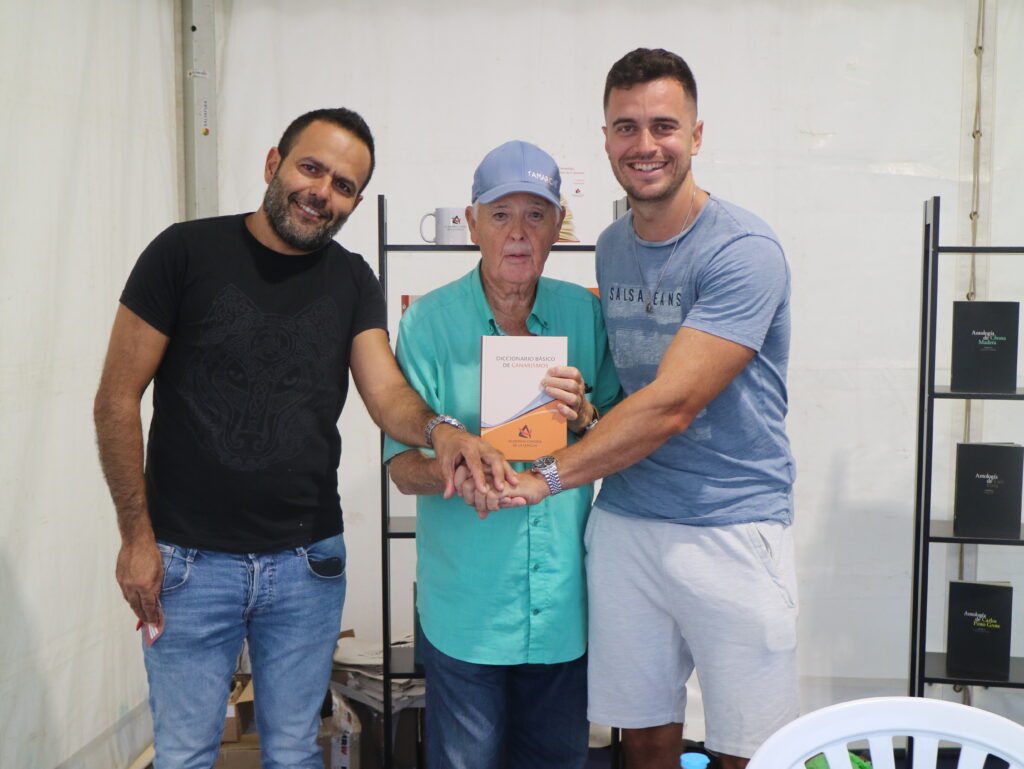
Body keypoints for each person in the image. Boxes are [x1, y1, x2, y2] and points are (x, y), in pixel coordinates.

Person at [93, 108, 514, 769]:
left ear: (356, 202)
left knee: (293, 752)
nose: (322, 192)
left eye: (344, 185)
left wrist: (441, 430)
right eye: (311, 168)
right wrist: (135, 537)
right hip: (187, 563)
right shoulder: (183, 252)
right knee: (184, 754)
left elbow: (387, 394)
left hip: (306, 564)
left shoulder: (352, 279)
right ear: (274, 163)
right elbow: (116, 399)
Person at [464, 50, 799, 769]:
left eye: (663, 126)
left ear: (696, 135)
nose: (645, 145)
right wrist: (586, 414)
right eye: (626, 127)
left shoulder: (744, 250)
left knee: (749, 748)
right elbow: (630, 392)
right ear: (607, 138)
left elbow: (672, 404)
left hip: (731, 523)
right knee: (643, 737)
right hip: (627, 522)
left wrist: (546, 475)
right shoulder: (612, 245)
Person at [384, 140, 621, 769]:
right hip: (468, 609)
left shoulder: (586, 314)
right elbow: (400, 467)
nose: (518, 233)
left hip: (561, 607)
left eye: (536, 215)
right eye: (500, 215)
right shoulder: (427, 324)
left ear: (557, 225)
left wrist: (586, 413)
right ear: (472, 223)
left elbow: (621, 435)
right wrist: (450, 470)